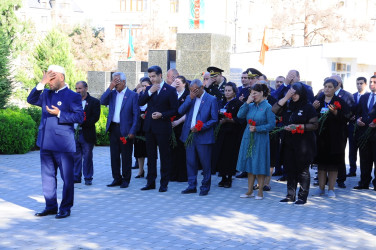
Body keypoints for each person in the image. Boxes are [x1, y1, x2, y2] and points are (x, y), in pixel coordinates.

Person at [27, 65, 84, 219]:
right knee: (47, 177)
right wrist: (41, 83)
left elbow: (79, 117)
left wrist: (60, 114)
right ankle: (51, 206)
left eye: (52, 78)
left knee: (67, 178)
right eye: (48, 78)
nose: (49, 82)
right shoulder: (45, 93)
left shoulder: (73, 96)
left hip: (63, 145)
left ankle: (65, 208)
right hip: (45, 142)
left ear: (61, 77)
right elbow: (31, 99)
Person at [272, 82, 318, 204]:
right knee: (290, 169)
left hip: (304, 144)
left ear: (301, 93)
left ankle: (302, 197)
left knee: (303, 170)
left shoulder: (308, 107)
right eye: (291, 93)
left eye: (295, 93)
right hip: (289, 142)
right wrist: (286, 97)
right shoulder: (288, 105)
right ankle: (290, 195)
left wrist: (298, 126)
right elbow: (274, 110)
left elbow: (314, 125)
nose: (294, 96)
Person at [138, 65, 178, 192]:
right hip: (149, 127)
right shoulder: (149, 88)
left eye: (154, 76)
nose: (152, 79)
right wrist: (150, 91)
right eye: (150, 77)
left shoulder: (170, 90)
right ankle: (151, 182)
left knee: (164, 156)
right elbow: (140, 102)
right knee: (151, 156)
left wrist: (162, 115)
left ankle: (164, 183)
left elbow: (175, 110)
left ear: (160, 75)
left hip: (162, 127)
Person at [179, 79, 218, 196]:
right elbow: (180, 110)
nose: (193, 92)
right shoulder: (190, 97)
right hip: (189, 135)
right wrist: (189, 98)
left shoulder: (211, 99)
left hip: (203, 136)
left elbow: (214, 119)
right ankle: (191, 185)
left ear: (202, 87)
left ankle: (205, 186)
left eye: (195, 90)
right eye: (191, 90)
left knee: (205, 163)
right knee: (190, 161)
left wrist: (201, 127)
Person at [312, 78, 351, 198]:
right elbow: (311, 116)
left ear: (335, 89)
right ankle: (321, 188)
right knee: (321, 164)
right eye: (325, 86)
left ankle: (331, 189)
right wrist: (313, 108)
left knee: (333, 165)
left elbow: (347, 117)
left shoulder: (340, 101)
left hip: (335, 138)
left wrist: (336, 113)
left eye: (329, 87)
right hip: (321, 138)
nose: (327, 89)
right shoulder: (318, 100)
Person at [101, 72, 139, 189]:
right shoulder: (112, 94)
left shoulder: (132, 95)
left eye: (117, 81)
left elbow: (136, 115)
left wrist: (133, 131)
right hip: (114, 128)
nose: (115, 83)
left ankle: (126, 179)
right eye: (113, 80)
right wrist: (110, 88)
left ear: (123, 82)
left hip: (126, 130)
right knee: (114, 156)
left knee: (126, 156)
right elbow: (102, 101)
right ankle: (116, 178)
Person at [236, 84, 275, 200]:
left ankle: (260, 192)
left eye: (255, 93)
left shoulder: (268, 107)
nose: (253, 96)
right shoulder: (251, 105)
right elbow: (239, 115)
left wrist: (258, 128)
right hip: (248, 136)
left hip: (260, 138)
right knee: (249, 162)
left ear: (262, 93)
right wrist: (246, 102)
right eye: (251, 93)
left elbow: (272, 125)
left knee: (259, 162)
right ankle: (249, 191)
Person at [213, 82, 244, 188]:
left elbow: (241, 119)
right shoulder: (221, 103)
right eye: (225, 90)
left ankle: (229, 178)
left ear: (234, 92)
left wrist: (229, 120)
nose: (227, 92)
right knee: (221, 155)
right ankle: (222, 177)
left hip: (232, 134)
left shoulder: (238, 104)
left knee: (229, 156)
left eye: (229, 90)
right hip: (221, 133)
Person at [73, 81, 101, 186]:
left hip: (87, 133)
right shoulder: (73, 101)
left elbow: (95, 117)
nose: (78, 91)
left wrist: (83, 122)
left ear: (86, 88)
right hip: (74, 133)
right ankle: (76, 176)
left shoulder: (94, 102)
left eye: (80, 88)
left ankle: (88, 177)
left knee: (87, 156)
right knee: (75, 156)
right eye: (76, 89)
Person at [354, 75, 376, 190]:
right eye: (371, 82)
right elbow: (358, 113)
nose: (372, 84)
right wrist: (358, 120)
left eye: (375, 82)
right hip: (364, 134)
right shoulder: (364, 97)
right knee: (364, 159)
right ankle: (364, 182)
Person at [170, 75, 190, 182]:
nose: (176, 84)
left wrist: (178, 121)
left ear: (184, 84)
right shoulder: (172, 93)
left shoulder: (187, 95)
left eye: (178, 82)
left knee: (182, 151)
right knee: (173, 149)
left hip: (182, 125)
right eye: (175, 82)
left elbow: (188, 112)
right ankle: (173, 174)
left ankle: (182, 175)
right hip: (172, 125)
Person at [347, 77, 368, 177]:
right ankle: (352, 170)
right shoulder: (353, 96)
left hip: (364, 128)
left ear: (365, 84)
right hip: (352, 128)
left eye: (361, 83)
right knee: (352, 150)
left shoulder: (369, 96)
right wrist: (350, 116)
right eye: (357, 83)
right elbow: (348, 109)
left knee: (364, 152)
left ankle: (364, 172)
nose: (359, 85)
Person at [134, 77, 152, 178]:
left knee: (149, 148)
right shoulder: (138, 95)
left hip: (149, 124)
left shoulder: (152, 95)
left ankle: (150, 170)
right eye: (143, 86)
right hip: (139, 125)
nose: (144, 88)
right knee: (139, 148)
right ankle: (140, 170)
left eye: (146, 86)